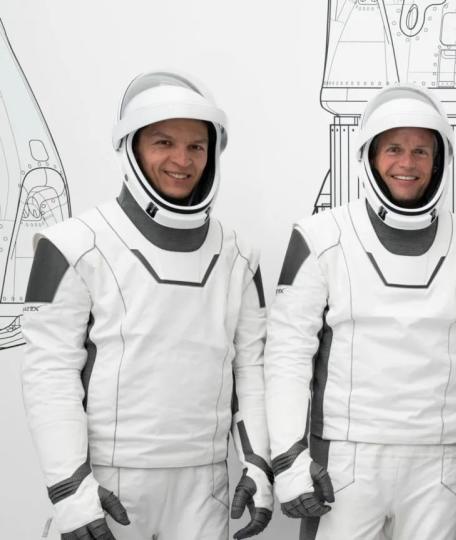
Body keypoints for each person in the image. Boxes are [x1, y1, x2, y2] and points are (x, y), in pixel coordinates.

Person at [20, 71, 273, 540]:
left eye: (196, 146)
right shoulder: (70, 245)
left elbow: (251, 373)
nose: (182, 160)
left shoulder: (240, 256)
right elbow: (48, 375)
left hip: (206, 487)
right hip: (108, 488)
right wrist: (69, 489)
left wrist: (258, 463)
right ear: (131, 146)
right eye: (163, 142)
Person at [265, 84, 456, 539]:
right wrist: (288, 459)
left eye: (422, 151)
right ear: (370, 156)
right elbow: (286, 356)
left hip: (437, 464)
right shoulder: (320, 237)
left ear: (438, 161)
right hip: (342, 462)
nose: (408, 163)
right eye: (394, 148)